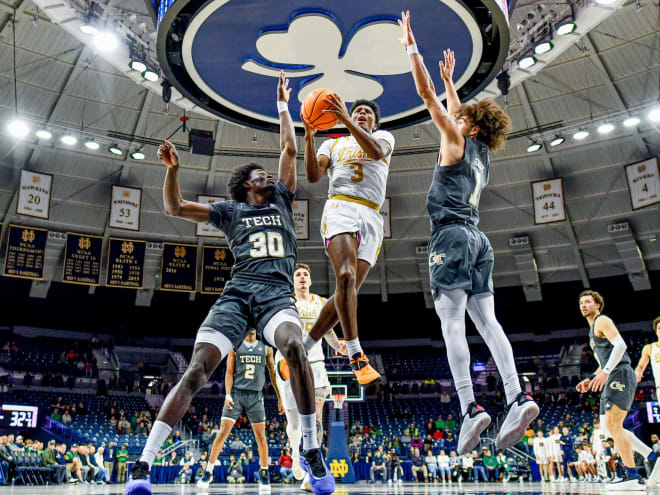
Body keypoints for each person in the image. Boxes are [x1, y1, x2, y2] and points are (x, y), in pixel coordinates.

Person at [124, 73, 334, 495]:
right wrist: (174, 170)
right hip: (237, 297)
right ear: (245, 186)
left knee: (296, 348)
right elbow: (174, 206)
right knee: (198, 371)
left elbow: (289, 149)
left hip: (277, 297)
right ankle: (142, 464)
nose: (268, 177)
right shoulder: (230, 211)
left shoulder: (282, 199)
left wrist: (283, 107)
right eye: (260, 174)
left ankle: (311, 449)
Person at [397, 10, 538, 456]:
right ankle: (517, 396)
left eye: (460, 119)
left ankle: (469, 407)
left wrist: (411, 49)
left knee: (452, 323)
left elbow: (426, 97)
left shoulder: (455, 142)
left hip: (452, 239)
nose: (453, 119)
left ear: (470, 128)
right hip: (479, 241)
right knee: (488, 322)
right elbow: (458, 111)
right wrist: (452, 83)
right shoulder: (481, 154)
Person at [300, 87, 396, 386]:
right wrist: (308, 138)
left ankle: (302, 351)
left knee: (348, 290)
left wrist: (346, 119)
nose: (361, 114)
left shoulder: (384, 138)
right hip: (340, 206)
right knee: (344, 276)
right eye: (356, 112)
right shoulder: (333, 143)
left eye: (366, 113)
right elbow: (315, 176)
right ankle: (355, 353)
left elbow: (375, 153)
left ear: (374, 123)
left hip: (372, 215)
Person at [577, 290, 659, 489]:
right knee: (610, 429)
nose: (583, 305)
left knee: (614, 426)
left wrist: (605, 372)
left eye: (588, 302)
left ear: (597, 305)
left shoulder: (602, 320)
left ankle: (632, 475)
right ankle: (651, 456)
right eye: (581, 303)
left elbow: (620, 346)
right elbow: (603, 362)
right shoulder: (591, 333)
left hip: (620, 373)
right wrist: (592, 378)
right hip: (613, 374)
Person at [275, 263, 347, 484]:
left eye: (306, 274)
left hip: (315, 363)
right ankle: (297, 456)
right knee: (295, 424)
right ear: (293, 281)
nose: (303, 277)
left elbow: (328, 332)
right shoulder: (285, 302)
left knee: (315, 417)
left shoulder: (320, 302)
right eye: (298, 275)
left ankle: (313, 468)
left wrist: (340, 346)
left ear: (311, 280)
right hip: (288, 362)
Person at [197, 329, 280, 492]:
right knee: (222, 434)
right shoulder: (236, 347)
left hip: (256, 396)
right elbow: (229, 372)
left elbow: (272, 373)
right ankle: (209, 471)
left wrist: (280, 397)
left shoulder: (266, 347)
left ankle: (264, 474)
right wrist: (227, 394)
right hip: (237, 393)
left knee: (261, 437)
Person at [634, 317, 660, 395]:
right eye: (659, 328)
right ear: (656, 331)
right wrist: (638, 371)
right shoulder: (649, 348)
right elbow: (641, 366)